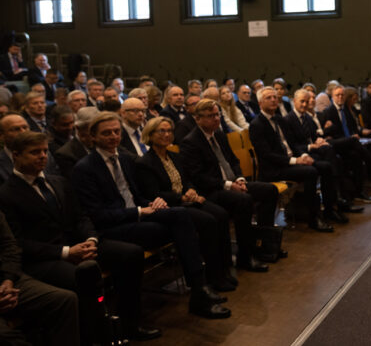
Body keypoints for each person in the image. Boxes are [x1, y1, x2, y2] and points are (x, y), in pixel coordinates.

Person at [0, 131, 161, 342]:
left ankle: (129, 322)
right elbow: (19, 243)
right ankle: (96, 333)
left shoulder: (57, 181)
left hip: (79, 244)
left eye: (44, 151)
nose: (42, 156)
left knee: (130, 254)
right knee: (83, 276)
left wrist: (90, 240)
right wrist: (66, 252)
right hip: (46, 258)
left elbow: (81, 217)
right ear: (16, 156)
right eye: (34, 152)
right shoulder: (6, 193)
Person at [71, 112, 231, 319]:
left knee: (181, 216)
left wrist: (152, 203)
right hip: (112, 228)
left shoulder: (125, 159)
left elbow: (137, 196)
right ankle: (199, 288)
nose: (113, 136)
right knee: (180, 223)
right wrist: (140, 210)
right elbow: (97, 215)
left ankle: (200, 288)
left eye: (116, 131)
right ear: (93, 137)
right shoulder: (85, 168)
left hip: (137, 216)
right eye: (106, 133)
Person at [135, 117, 236, 291]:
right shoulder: (144, 163)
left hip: (187, 200)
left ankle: (223, 269)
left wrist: (191, 190)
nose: (167, 135)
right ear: (150, 135)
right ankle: (212, 276)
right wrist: (182, 198)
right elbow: (154, 193)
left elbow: (187, 179)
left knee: (221, 214)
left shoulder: (174, 155)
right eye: (162, 131)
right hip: (171, 208)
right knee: (208, 221)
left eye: (169, 131)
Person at [179, 99, 280, 270]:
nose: (216, 119)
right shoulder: (191, 141)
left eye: (217, 114)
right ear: (198, 119)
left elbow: (233, 160)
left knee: (270, 190)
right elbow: (198, 177)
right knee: (244, 200)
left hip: (232, 183)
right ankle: (245, 256)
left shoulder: (218, 134)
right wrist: (228, 185)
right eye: (211, 116)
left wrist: (240, 179)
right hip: (212, 190)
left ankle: (265, 244)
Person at [249, 87, 334, 232]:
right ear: (260, 102)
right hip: (274, 169)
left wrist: (302, 156)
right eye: (269, 98)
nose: (274, 100)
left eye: (275, 97)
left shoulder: (279, 119)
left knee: (324, 166)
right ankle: (313, 219)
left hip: (289, 162)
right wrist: (295, 161)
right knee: (311, 172)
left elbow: (291, 145)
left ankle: (329, 210)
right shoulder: (257, 124)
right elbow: (267, 155)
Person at [0, 209, 79, 346]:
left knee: (64, 300)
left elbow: (10, 246)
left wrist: (8, 279)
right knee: (8, 337)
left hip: (5, 278)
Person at [284, 89, 348, 224]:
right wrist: (308, 148)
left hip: (312, 152)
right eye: (302, 101)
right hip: (300, 154)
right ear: (294, 101)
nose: (305, 104)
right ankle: (332, 204)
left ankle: (332, 205)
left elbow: (314, 136)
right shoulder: (288, 120)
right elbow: (292, 145)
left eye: (307, 102)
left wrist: (318, 140)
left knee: (330, 151)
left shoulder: (307, 117)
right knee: (326, 166)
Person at [54, 107, 99, 180]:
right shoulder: (65, 154)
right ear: (79, 129)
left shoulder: (102, 145)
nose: (96, 134)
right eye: (92, 131)